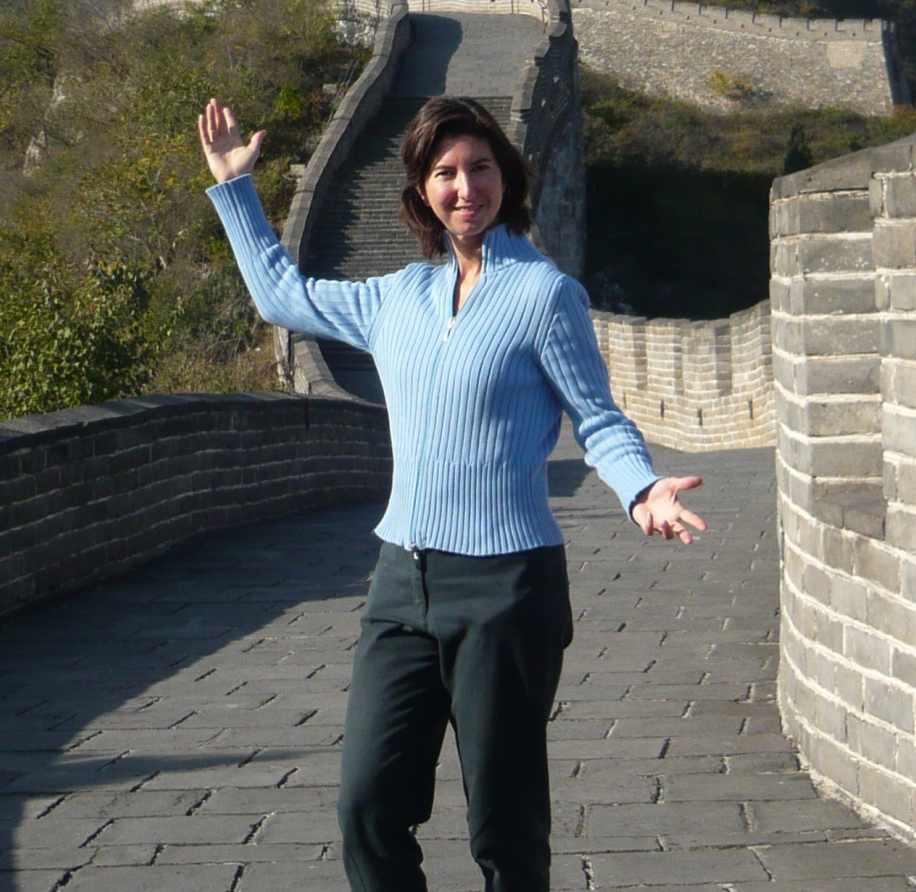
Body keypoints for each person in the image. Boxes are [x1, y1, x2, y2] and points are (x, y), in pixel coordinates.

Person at [198, 94, 706, 892]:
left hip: (507, 589)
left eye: (480, 168)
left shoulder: (545, 297)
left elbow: (598, 418)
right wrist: (236, 187)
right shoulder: (397, 297)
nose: (466, 187)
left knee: (505, 827)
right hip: (401, 583)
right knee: (367, 806)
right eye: (445, 172)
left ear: (508, 178)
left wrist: (643, 490)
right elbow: (282, 297)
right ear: (422, 189)